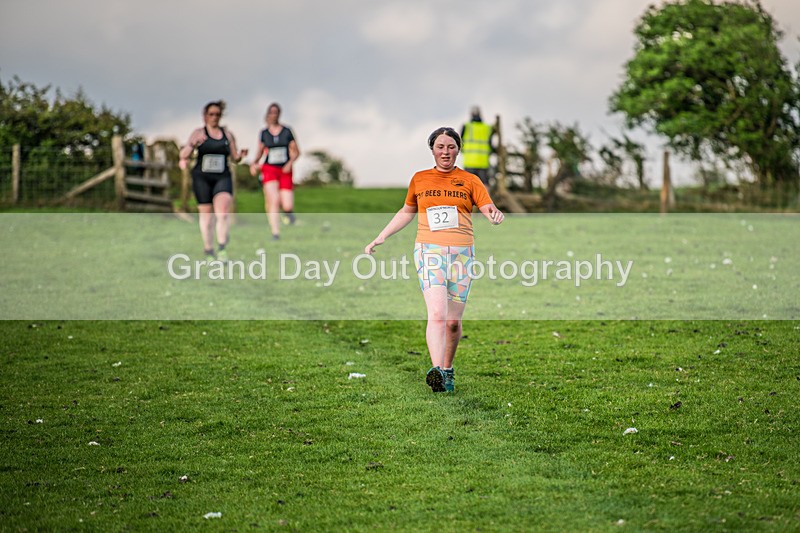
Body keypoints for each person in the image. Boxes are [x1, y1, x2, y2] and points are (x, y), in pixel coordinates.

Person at [364, 127, 504, 393]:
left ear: (458, 149)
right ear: (432, 149)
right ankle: (437, 371)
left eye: (451, 147)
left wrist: (495, 215)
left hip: (463, 254)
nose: (445, 152)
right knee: (437, 314)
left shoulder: (471, 180)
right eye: (440, 147)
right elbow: (407, 212)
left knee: (452, 323)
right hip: (429, 251)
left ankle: (447, 370)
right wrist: (381, 236)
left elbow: (488, 207)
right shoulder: (420, 179)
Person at [179, 100, 247, 262]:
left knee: (223, 213)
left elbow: (234, 157)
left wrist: (241, 156)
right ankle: (208, 249)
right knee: (207, 216)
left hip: (222, 177)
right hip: (202, 177)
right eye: (211, 114)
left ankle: (222, 248)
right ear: (205, 116)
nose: (214, 117)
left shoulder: (227, 135)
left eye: (217, 114)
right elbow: (183, 155)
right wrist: (192, 144)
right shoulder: (198, 133)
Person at [249, 103, 300, 241]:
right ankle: (275, 232)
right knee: (273, 201)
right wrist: (254, 163)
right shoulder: (264, 133)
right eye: (271, 112)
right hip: (269, 169)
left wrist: (290, 163)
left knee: (287, 204)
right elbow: (260, 152)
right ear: (268, 115)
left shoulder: (287, 131)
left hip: (285, 170)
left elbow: (296, 152)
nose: (273, 115)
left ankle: (288, 214)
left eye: (276, 112)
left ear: (279, 114)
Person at [460, 106, 495, 187]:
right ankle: (487, 200)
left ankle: (468, 200)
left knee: (468, 185)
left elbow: (459, 143)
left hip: (469, 162)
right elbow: (490, 145)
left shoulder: (466, 126)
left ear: (471, 114)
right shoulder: (487, 128)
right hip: (483, 162)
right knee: (484, 184)